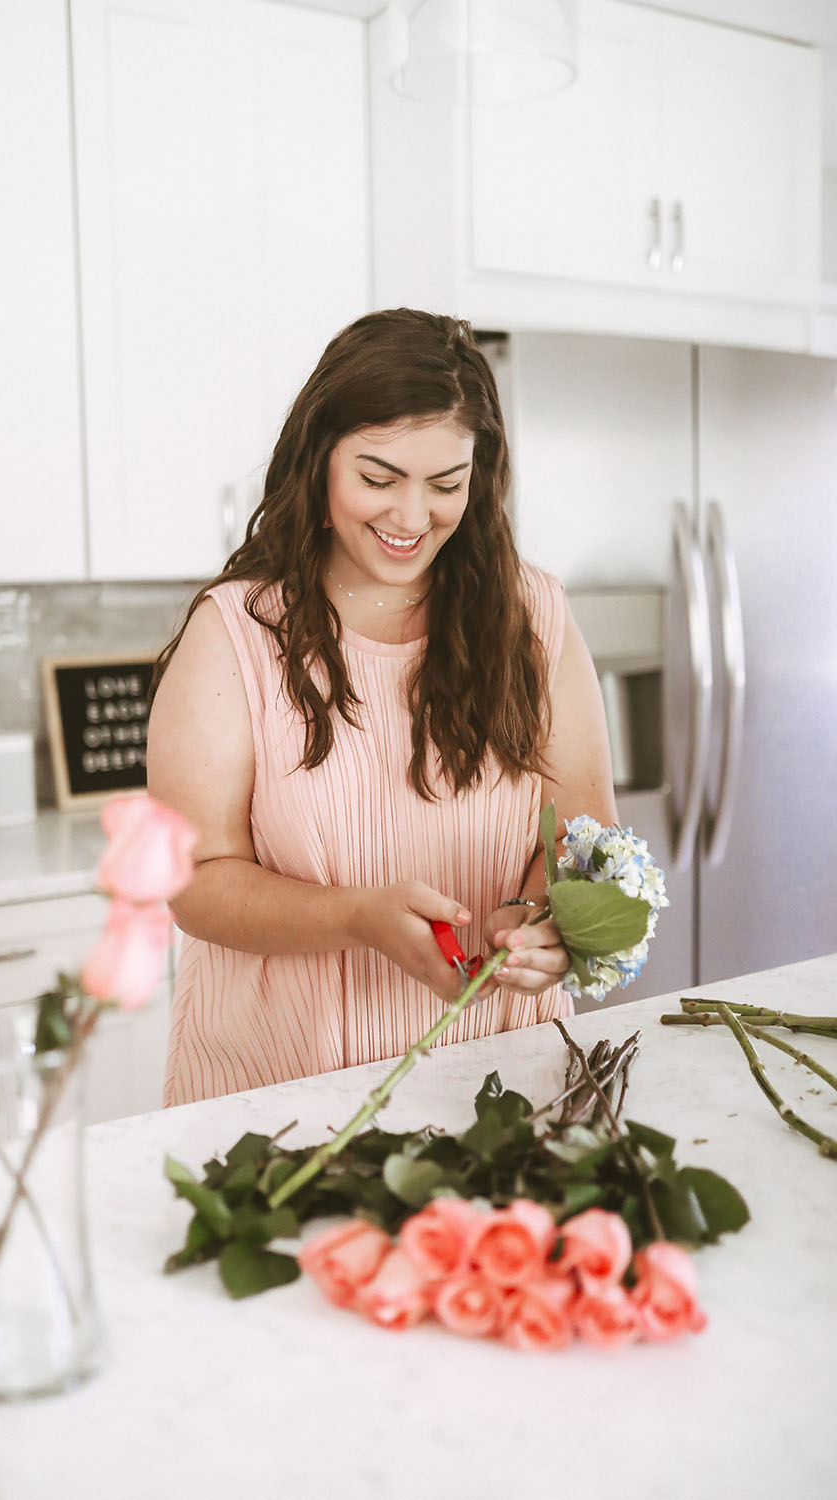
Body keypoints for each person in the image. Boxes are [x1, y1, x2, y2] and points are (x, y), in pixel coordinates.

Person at [148, 308, 618, 1107]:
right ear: (318, 462)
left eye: (446, 484)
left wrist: (545, 923)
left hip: (506, 1086)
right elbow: (195, 883)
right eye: (378, 478)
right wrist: (356, 917)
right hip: (284, 1099)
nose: (411, 517)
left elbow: (582, 832)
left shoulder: (532, 612)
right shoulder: (237, 632)